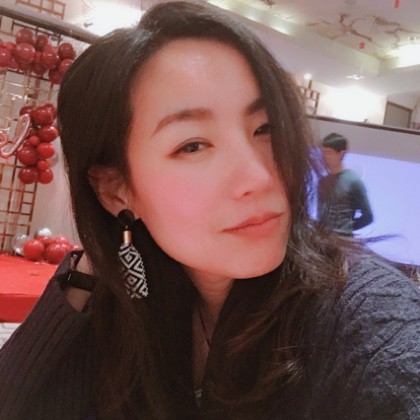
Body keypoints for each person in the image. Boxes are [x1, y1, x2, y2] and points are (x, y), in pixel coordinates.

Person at [0, 2, 419, 419]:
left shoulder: (365, 319)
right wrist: (102, 253)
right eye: (193, 145)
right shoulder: (143, 294)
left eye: (265, 128)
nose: (260, 176)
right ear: (114, 189)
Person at [317, 132, 374, 236]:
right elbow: (321, 215)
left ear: (341, 154)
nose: (324, 157)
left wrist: (345, 229)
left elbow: (368, 216)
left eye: (328, 153)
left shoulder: (353, 181)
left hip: (342, 241)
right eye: (322, 153)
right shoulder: (322, 182)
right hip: (321, 239)